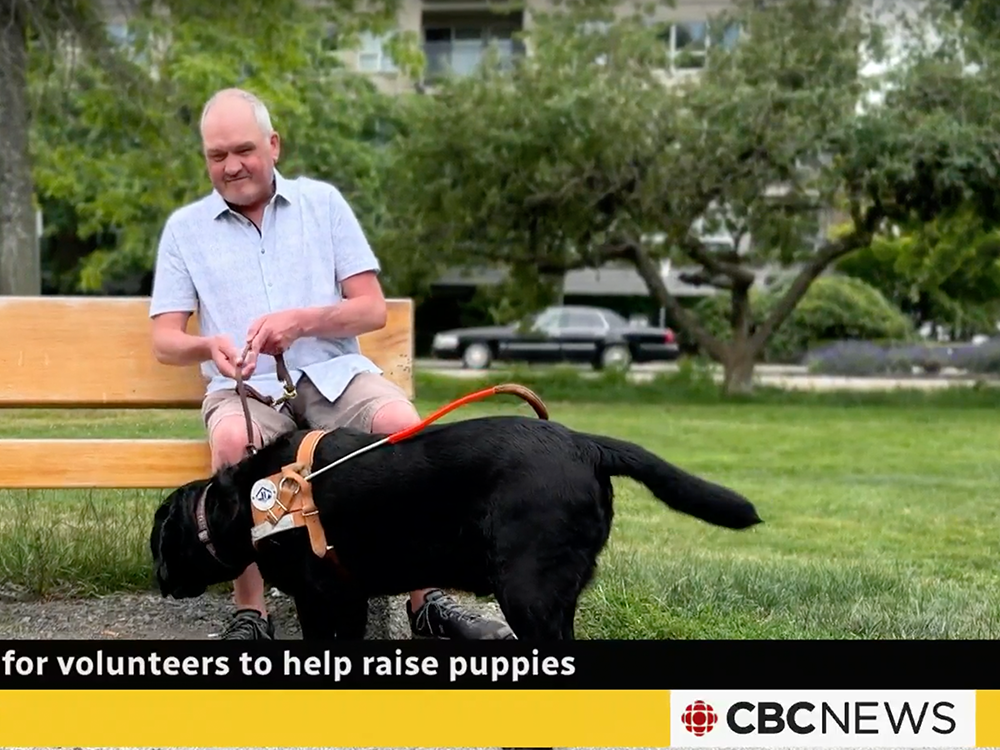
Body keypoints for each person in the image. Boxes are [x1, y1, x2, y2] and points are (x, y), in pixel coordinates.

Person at [148, 87, 513, 641]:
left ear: (274, 145)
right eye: (216, 155)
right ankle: (252, 612)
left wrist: (301, 322)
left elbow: (370, 309)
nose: (231, 166)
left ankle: (427, 598)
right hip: (247, 389)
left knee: (405, 430)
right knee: (230, 450)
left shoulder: (323, 205)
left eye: (243, 150)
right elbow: (165, 339)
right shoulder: (185, 229)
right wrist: (208, 348)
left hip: (335, 375)